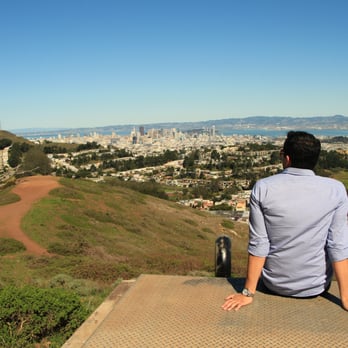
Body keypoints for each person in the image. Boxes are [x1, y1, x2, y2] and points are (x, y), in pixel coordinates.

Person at [222, 131, 348, 311]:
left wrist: (247, 293)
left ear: (287, 158)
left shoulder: (264, 188)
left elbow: (259, 243)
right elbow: (337, 244)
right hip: (316, 287)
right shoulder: (335, 190)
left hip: (274, 285)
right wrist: (346, 296)